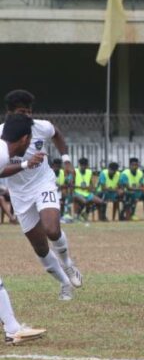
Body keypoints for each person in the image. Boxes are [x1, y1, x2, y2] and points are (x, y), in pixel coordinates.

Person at [0, 90, 82, 301]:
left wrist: (66, 159)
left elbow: (57, 134)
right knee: (40, 247)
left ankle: (69, 265)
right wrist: (27, 163)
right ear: (9, 113)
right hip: (19, 194)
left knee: (52, 229)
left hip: (43, 183)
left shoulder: (41, 126)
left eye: (29, 111)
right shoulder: (2, 136)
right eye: (21, 112)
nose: (26, 116)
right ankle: (64, 283)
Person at [0, 114, 47, 344]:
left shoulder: (2, 153)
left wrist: (26, 164)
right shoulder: (1, 153)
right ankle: (12, 328)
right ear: (25, 138)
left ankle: (12, 328)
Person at [74, 157, 104, 223]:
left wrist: (91, 188)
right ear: (79, 165)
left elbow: (91, 185)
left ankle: (85, 213)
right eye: (82, 165)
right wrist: (80, 187)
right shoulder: (75, 171)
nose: (84, 167)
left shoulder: (89, 172)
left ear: (87, 165)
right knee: (85, 201)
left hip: (87, 193)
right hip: (77, 192)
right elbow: (71, 185)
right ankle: (77, 215)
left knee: (100, 202)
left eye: (85, 165)